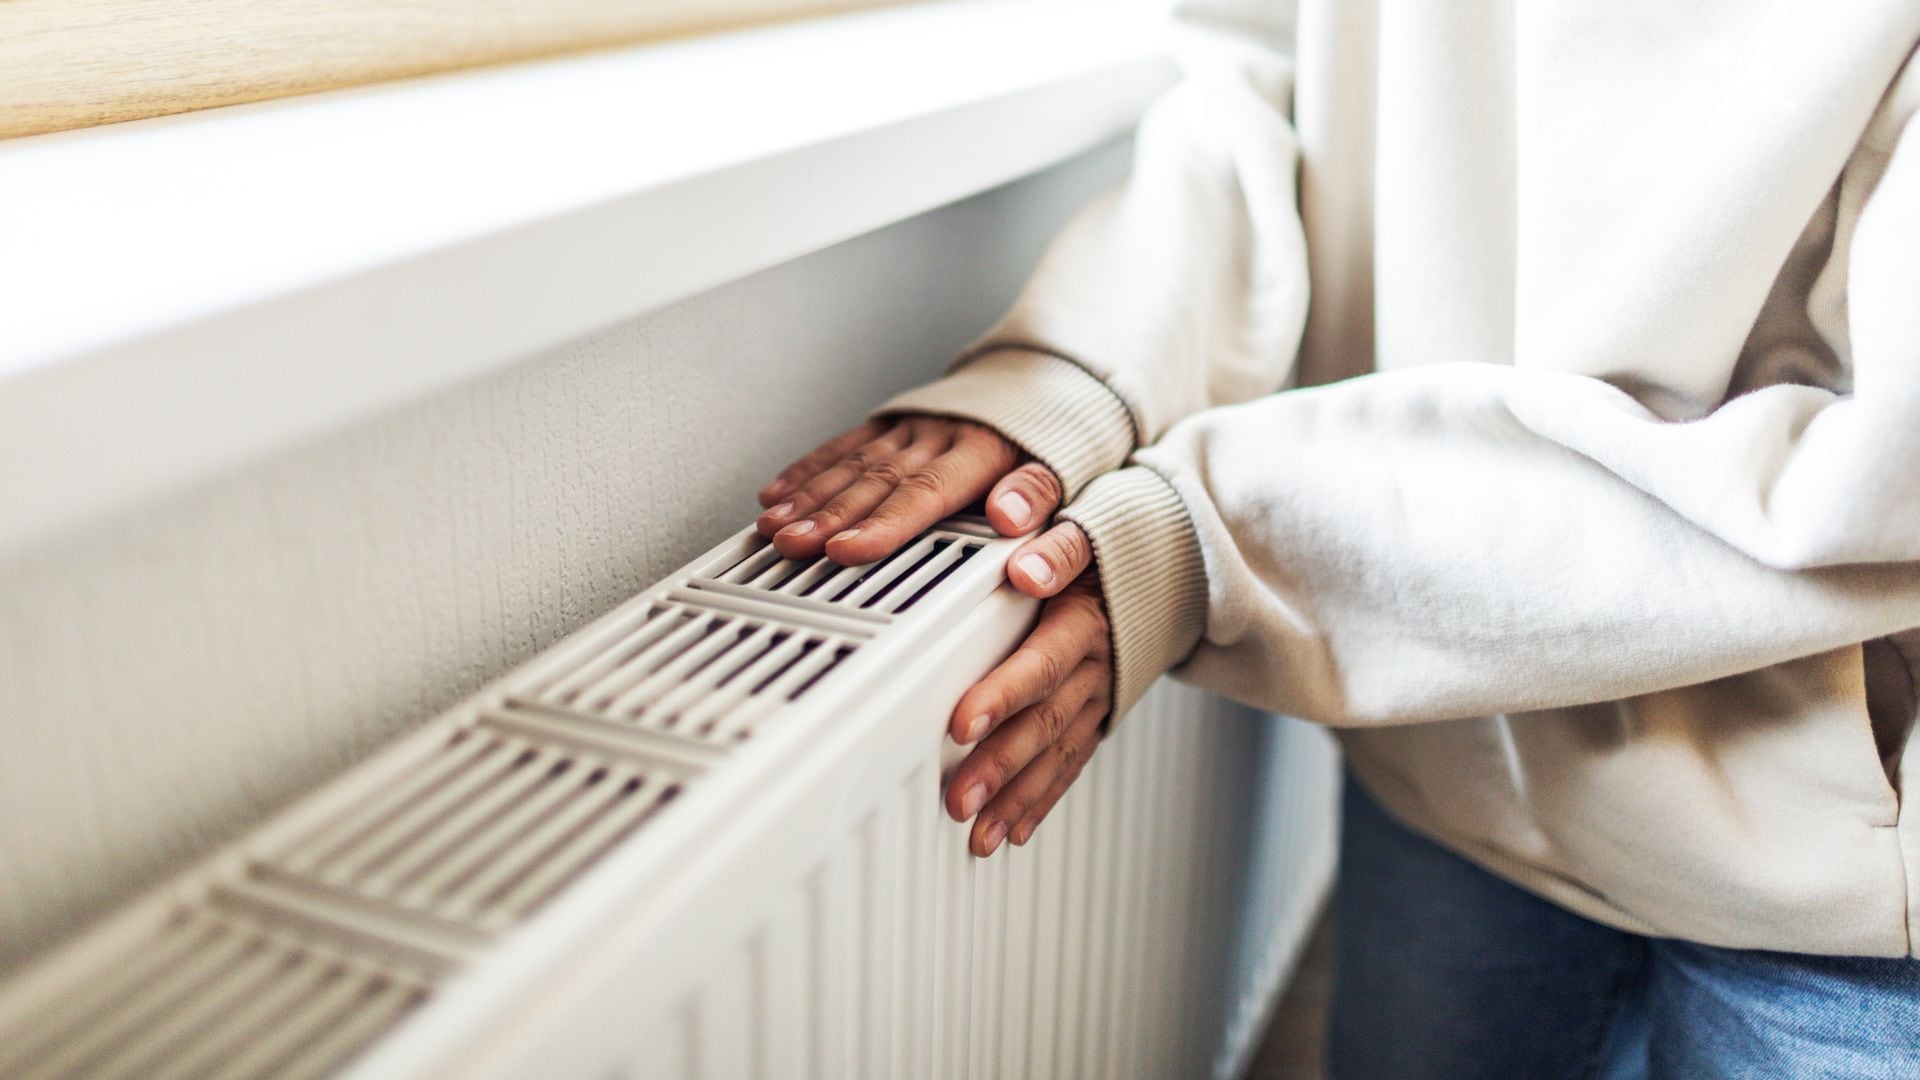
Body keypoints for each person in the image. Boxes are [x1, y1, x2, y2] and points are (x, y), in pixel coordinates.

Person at [754, 1, 1920, 1074]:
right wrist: (1069, 372)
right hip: (1451, 758)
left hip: (1845, 901)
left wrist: (1217, 534)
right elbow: (1263, 77)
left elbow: (1884, 466)